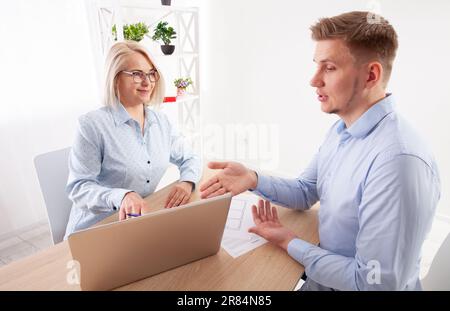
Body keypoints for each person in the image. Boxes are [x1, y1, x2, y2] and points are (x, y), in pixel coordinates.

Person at [200, 11, 440, 290]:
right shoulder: (342, 131)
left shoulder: (397, 162)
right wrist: (253, 178)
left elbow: (373, 284)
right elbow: (306, 190)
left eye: (329, 68)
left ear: (371, 75)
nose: (314, 80)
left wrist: (289, 241)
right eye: (317, 66)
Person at [64, 41, 202, 238]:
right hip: (94, 232)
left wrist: (186, 182)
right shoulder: (92, 125)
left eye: (151, 73)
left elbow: (191, 157)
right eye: (137, 74)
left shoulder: (161, 122)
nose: (147, 82)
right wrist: (122, 196)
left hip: (136, 227)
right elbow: (79, 188)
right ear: (114, 78)